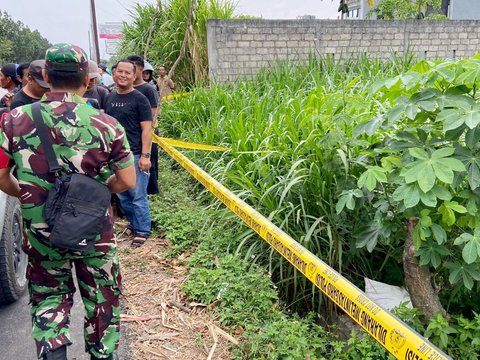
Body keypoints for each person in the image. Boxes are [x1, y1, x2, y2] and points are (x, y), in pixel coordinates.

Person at [0, 43, 135, 360]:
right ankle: (102, 354)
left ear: (45, 75)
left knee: (49, 298)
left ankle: (53, 353)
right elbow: (128, 180)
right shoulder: (106, 124)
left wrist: (26, 193)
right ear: (87, 80)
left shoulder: (12, 120)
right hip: (94, 232)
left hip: (41, 232)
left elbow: (1, 176)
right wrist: (100, 191)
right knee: (101, 297)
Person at [105, 59, 152, 246]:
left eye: (128, 73)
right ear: (114, 73)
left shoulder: (140, 99)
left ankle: (143, 230)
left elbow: (147, 129)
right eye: (120, 71)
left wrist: (145, 156)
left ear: (134, 76)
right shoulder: (109, 97)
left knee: (138, 195)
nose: (123, 75)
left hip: (134, 154)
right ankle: (133, 224)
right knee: (122, 195)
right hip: (114, 155)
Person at [126, 55, 160, 195]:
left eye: (133, 68)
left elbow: (153, 114)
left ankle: (150, 191)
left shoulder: (148, 89)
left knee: (148, 161)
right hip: (131, 133)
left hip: (147, 131)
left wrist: (146, 128)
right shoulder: (125, 89)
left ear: (140, 69)